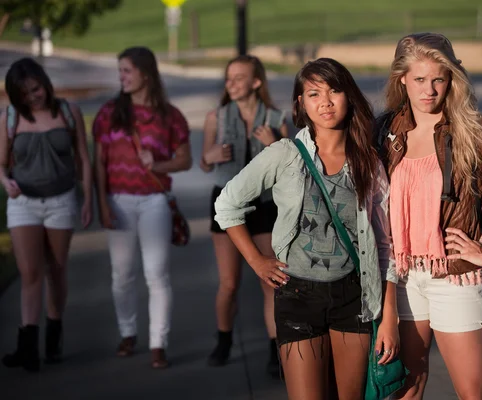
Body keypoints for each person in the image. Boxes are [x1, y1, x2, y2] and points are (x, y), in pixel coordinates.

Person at [376, 33, 482, 399]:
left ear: (452, 79)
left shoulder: (475, 129)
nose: (429, 90)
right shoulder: (388, 132)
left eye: (438, 79)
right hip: (404, 276)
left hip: (454, 279)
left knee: (474, 392)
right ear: (402, 79)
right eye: (419, 80)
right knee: (406, 389)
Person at [214, 58, 399, 399]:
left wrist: (389, 317)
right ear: (300, 104)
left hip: (353, 297)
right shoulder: (285, 154)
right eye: (314, 93)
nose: (325, 101)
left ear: (349, 97)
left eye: (334, 91)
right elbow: (227, 205)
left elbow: (386, 245)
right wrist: (256, 260)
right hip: (297, 297)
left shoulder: (368, 162)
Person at [92, 46, 192, 369]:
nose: (121, 77)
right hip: (118, 200)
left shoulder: (170, 116)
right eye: (119, 71)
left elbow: (185, 159)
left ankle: (157, 343)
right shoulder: (109, 114)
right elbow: (99, 163)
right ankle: (127, 332)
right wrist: (101, 203)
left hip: (154, 201)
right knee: (122, 274)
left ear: (145, 74)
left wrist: (159, 164)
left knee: (156, 273)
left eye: (126, 71)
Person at [1, 57, 93, 371]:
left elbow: (83, 156)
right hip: (23, 202)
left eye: (36, 89)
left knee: (56, 270)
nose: (32, 97)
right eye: (24, 93)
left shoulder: (68, 112)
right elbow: (1, 164)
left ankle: (54, 331)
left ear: (45, 83)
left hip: (61, 201)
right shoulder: (10, 118)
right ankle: (28, 346)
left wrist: (88, 200)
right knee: (30, 273)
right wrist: (6, 182)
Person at [199, 55, 288, 376]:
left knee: (272, 281)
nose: (231, 83)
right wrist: (209, 156)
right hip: (226, 204)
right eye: (228, 78)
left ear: (256, 82)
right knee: (230, 283)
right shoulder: (215, 118)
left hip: (265, 205)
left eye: (239, 78)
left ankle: (274, 350)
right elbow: (205, 164)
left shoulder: (276, 118)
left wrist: (275, 143)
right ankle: (223, 340)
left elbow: (292, 167)